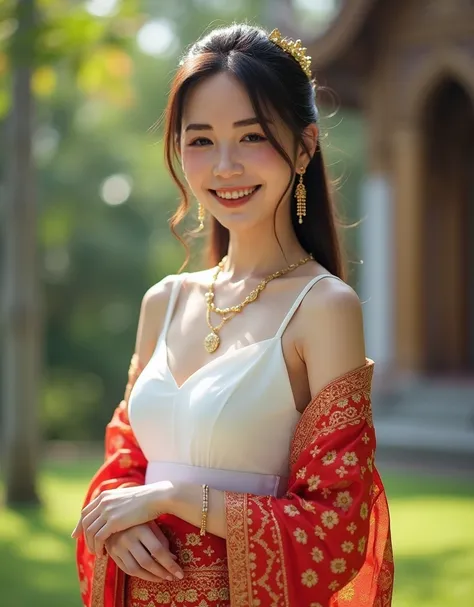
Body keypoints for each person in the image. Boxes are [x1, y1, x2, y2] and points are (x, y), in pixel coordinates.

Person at [73, 23, 393, 607]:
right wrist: (122, 519)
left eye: (251, 137)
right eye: (200, 141)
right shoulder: (163, 301)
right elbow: (124, 464)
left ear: (304, 146)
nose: (224, 166)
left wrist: (171, 498)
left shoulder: (323, 309)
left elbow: (338, 524)